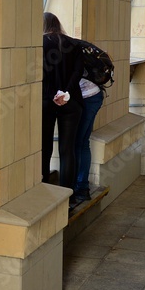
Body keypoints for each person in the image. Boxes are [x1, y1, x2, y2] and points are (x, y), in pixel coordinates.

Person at [42, 12, 84, 209]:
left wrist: (52, 94)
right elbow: (78, 72)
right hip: (72, 101)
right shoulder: (74, 44)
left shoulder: (41, 43)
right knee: (68, 150)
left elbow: (42, 73)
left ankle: (42, 191)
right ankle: (69, 196)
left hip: (46, 102)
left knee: (44, 147)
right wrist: (65, 93)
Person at [72, 71, 103, 203]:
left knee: (78, 143)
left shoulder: (66, 51)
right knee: (83, 142)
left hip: (86, 98)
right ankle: (82, 187)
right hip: (95, 94)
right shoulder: (80, 49)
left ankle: (81, 187)